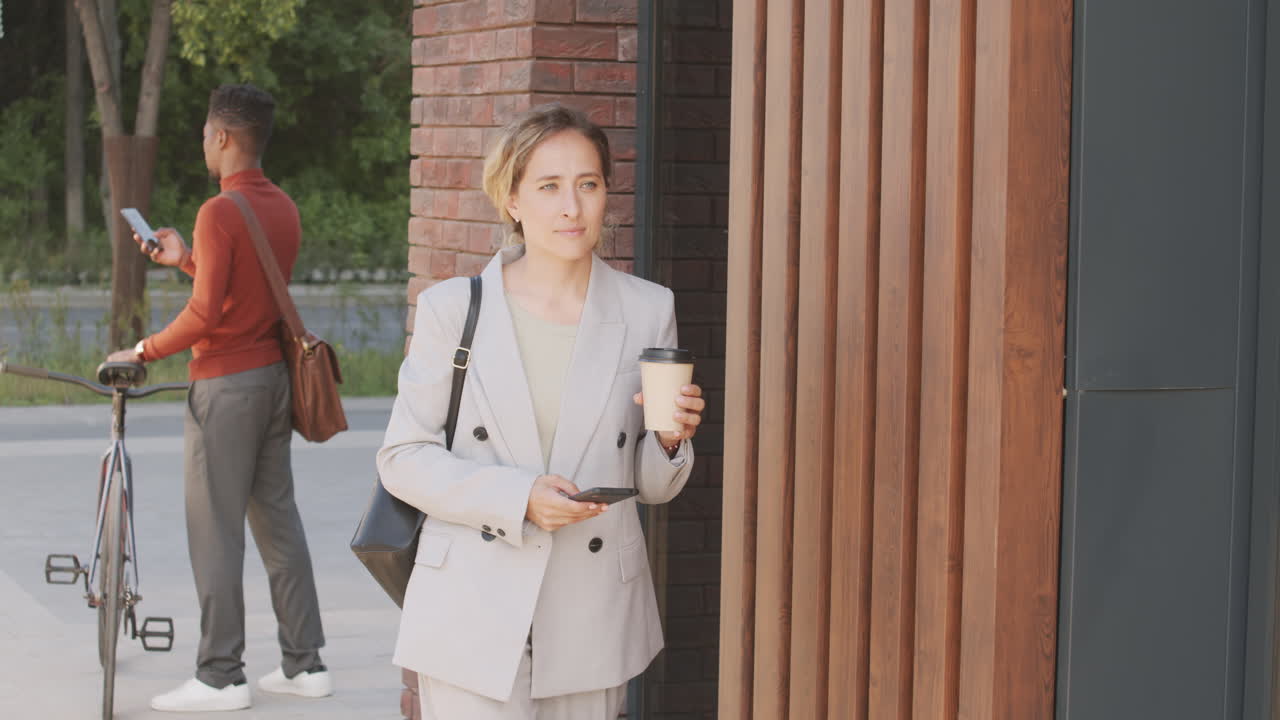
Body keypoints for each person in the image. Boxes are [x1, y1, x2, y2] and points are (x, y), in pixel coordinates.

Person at [377, 103, 707, 719]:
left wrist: (668, 441)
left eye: (588, 184)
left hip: (593, 608)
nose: (572, 208)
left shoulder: (646, 308)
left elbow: (653, 489)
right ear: (512, 199)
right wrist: (519, 496)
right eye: (549, 187)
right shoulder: (454, 308)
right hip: (472, 603)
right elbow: (403, 458)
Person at [105, 84, 331, 712]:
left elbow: (207, 317)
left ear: (225, 137)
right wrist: (183, 260)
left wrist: (142, 351)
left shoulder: (219, 210)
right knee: (278, 525)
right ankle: (306, 664)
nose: (203, 143)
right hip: (272, 383)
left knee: (215, 532)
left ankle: (220, 675)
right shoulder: (281, 206)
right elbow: (241, 296)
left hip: (226, 388)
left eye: (206, 134)